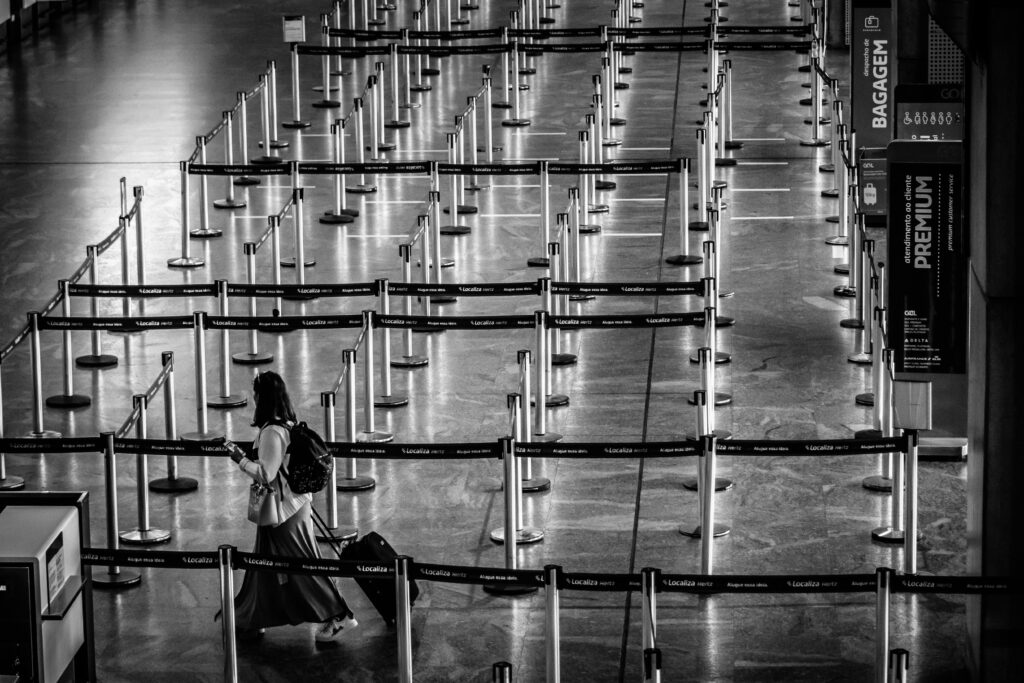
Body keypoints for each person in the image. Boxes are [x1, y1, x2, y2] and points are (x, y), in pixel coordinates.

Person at [223, 370, 357, 642]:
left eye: (255, 392)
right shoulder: (285, 423)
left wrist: (239, 459)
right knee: (264, 563)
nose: (253, 396)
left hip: (284, 511)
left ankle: (338, 615)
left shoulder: (272, 431)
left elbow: (266, 473)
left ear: (262, 397)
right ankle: (252, 616)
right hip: (288, 506)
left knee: (301, 565)